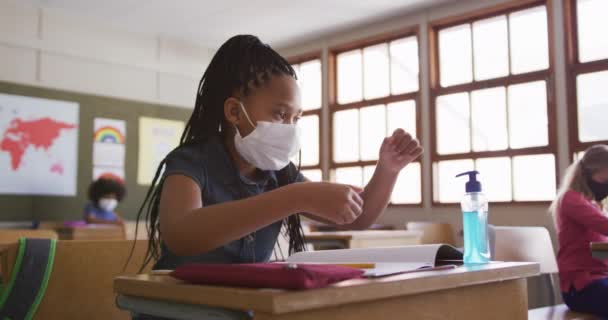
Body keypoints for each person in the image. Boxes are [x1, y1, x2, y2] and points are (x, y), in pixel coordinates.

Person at [134, 34, 422, 272]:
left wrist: (388, 169)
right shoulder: (191, 162)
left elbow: (357, 217)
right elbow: (182, 235)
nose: (290, 128)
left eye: (296, 118)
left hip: (243, 308)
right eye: (280, 114)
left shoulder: (280, 174)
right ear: (234, 111)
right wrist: (294, 198)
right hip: (178, 308)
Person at [551, 144, 608, 317]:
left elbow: (598, 249)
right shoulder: (571, 199)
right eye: (605, 180)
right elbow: (604, 226)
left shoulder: (595, 204)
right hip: (580, 286)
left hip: (600, 279)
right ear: (590, 174)